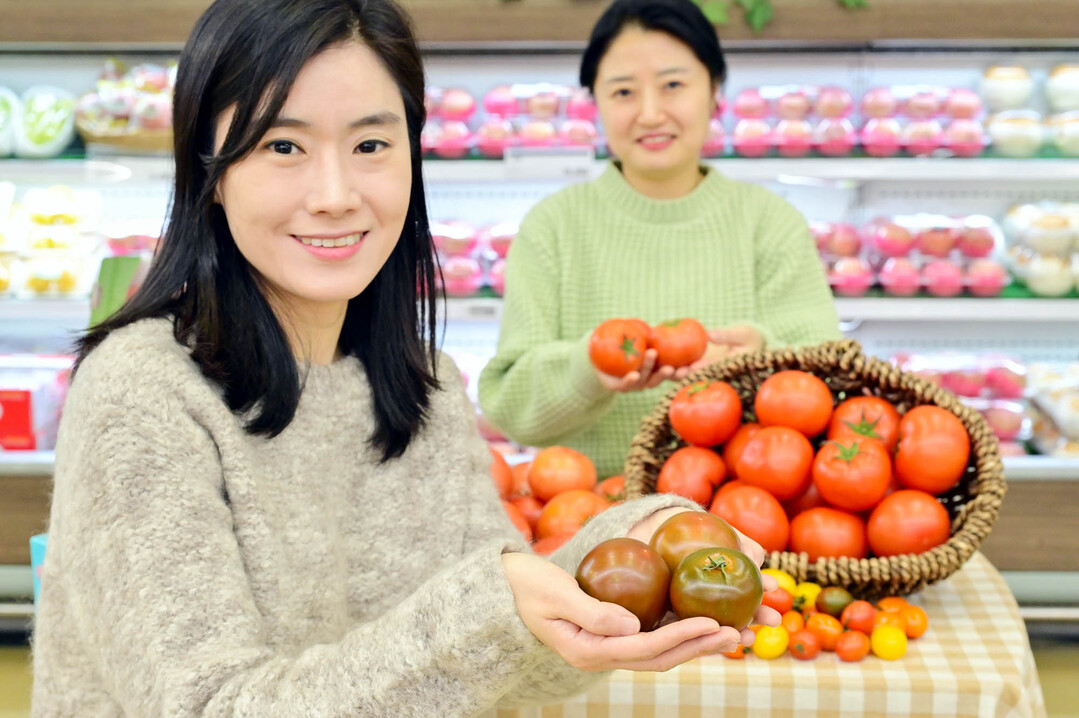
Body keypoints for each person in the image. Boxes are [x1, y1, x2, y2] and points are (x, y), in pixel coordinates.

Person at [30, 1, 779, 716]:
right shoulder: (143, 394)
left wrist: (630, 545)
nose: (334, 194)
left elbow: (504, 655)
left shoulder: (422, 387)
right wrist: (489, 609)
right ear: (210, 171)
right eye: (282, 146)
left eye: (370, 145)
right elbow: (206, 706)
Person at [478, 0, 841, 479]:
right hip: (587, 526)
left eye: (673, 85)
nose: (650, 114)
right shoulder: (553, 227)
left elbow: (834, 382)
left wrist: (760, 360)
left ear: (714, 92)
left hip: (742, 522)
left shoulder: (769, 223)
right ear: (596, 103)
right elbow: (509, 405)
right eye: (624, 92)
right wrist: (589, 370)